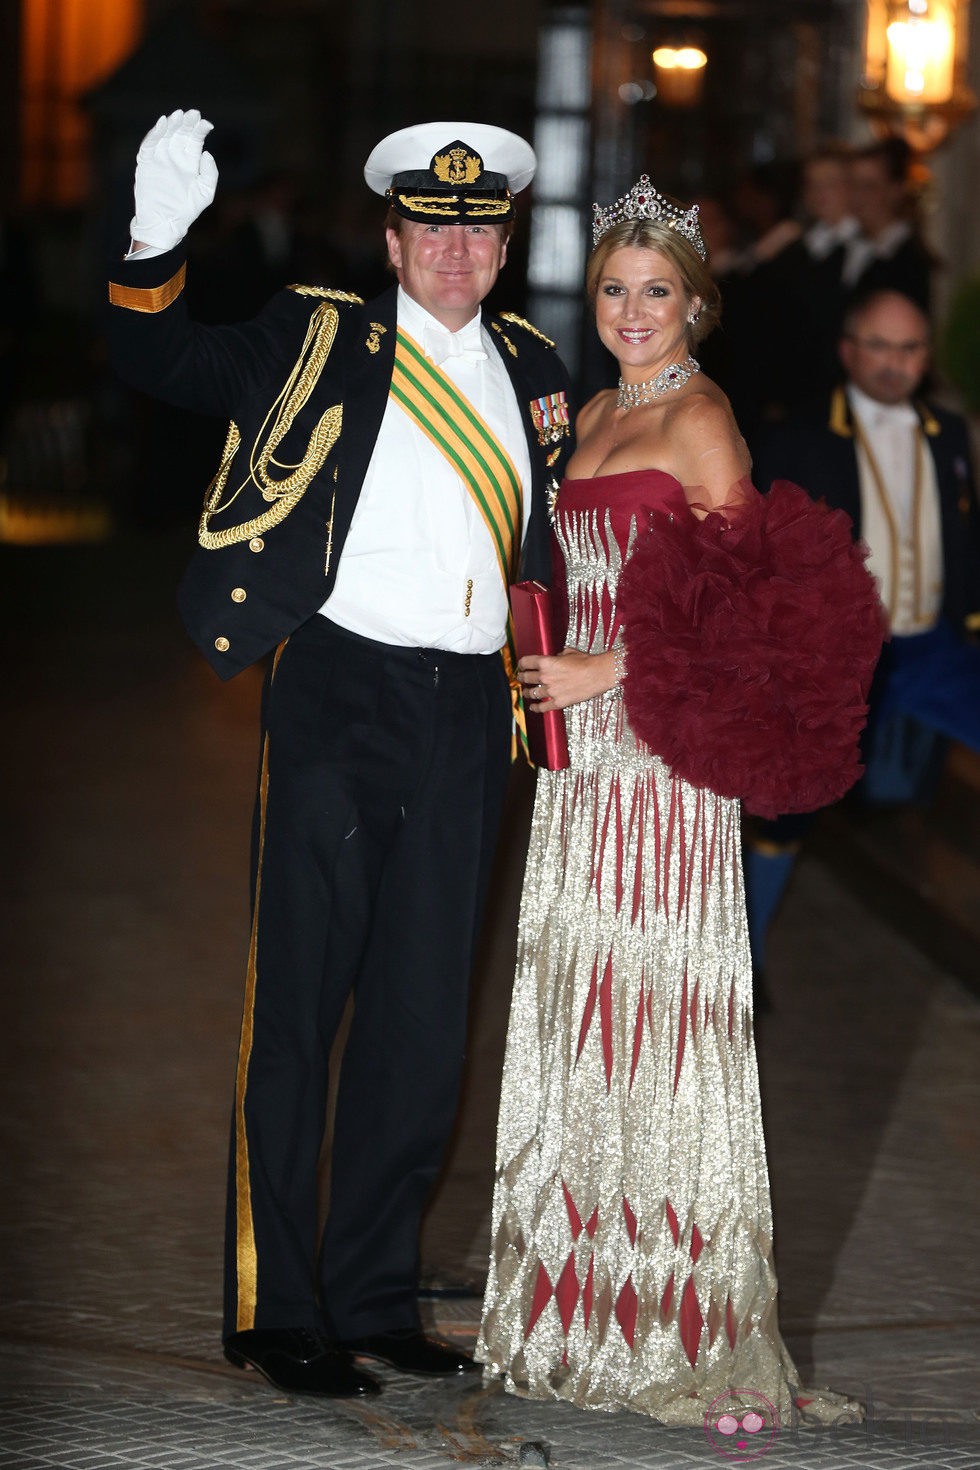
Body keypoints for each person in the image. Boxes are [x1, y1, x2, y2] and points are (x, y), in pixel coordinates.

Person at [106, 110, 574, 1398]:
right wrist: (154, 239)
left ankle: (372, 1296)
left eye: (477, 231)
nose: (453, 252)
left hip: (471, 716)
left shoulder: (536, 369)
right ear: (391, 234)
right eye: (431, 227)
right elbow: (160, 362)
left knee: (423, 1024)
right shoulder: (319, 336)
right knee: (301, 1009)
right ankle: (277, 1305)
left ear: (501, 243)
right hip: (338, 692)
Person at [474, 175, 882, 1425]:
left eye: (656, 290)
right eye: (613, 288)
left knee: (654, 1012)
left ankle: (677, 1320)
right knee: (571, 999)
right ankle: (576, 1306)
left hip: (654, 764)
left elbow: (748, 618)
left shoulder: (701, 420)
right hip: (575, 768)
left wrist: (610, 667)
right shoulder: (592, 409)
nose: (632, 308)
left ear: (695, 304)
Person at [744, 288, 980, 976]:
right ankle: (744, 961)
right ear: (849, 351)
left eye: (908, 348)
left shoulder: (948, 432)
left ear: (926, 357)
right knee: (789, 807)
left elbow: (963, 535)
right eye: (878, 345)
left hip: (933, 647)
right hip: (841, 659)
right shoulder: (800, 436)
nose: (892, 362)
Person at [841, 138, 934, 313]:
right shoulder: (849, 247)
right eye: (853, 185)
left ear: (895, 191)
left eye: (869, 187)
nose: (858, 196)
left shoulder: (907, 262)